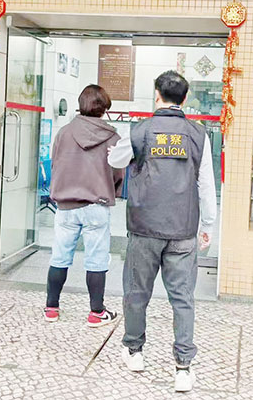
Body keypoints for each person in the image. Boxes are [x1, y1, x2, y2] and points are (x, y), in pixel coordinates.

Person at [107, 70, 217, 393]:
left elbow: (115, 159)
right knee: (182, 299)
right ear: (185, 98)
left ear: (157, 95)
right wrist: (208, 225)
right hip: (183, 230)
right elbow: (206, 185)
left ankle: (134, 352)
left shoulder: (140, 131)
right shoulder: (198, 134)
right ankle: (183, 368)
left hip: (144, 228)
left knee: (136, 292)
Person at [44, 84, 124, 327]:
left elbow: (55, 163)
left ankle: (51, 308)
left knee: (59, 256)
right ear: (105, 108)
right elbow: (118, 172)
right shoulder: (112, 137)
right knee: (97, 260)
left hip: (66, 206)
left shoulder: (64, 133)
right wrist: (112, 190)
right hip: (96, 205)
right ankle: (96, 312)